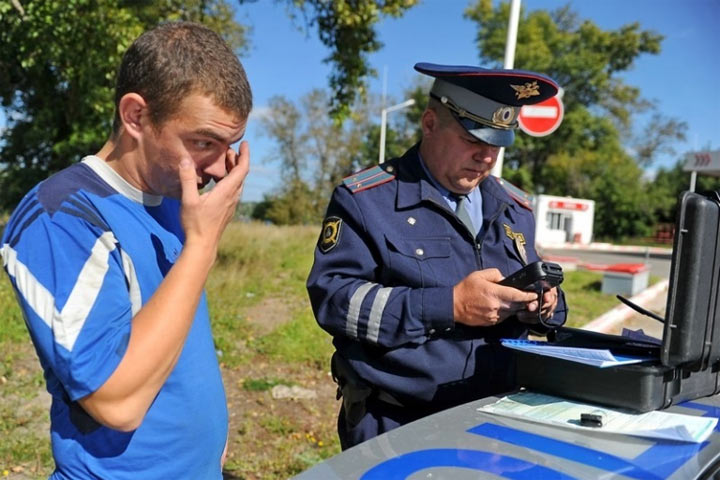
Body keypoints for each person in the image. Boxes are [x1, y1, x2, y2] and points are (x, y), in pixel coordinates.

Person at [0, 22, 251, 478]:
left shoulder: (176, 201)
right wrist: (202, 245)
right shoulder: (61, 217)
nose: (217, 168)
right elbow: (117, 402)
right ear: (135, 116)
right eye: (202, 143)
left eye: (228, 147)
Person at [307, 62, 568, 450]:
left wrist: (544, 305)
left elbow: (555, 306)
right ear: (430, 123)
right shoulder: (367, 200)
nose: (486, 156)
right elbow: (334, 300)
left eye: (496, 143)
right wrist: (449, 305)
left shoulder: (515, 208)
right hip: (398, 425)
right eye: (471, 138)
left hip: (498, 422)